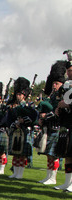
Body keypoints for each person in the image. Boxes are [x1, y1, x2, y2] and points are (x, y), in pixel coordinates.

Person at [34, 60, 66, 185]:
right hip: (49, 127)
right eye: (53, 83)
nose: (54, 85)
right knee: (48, 154)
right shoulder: (52, 96)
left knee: (54, 154)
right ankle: (48, 176)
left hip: (57, 127)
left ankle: (53, 178)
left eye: (56, 83)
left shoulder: (62, 96)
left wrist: (47, 115)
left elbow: (57, 111)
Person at [5, 77, 37, 180]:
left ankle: (20, 174)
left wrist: (24, 121)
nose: (18, 96)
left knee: (22, 154)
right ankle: (15, 172)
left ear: (24, 95)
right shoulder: (13, 106)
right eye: (17, 94)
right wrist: (15, 123)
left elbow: (34, 119)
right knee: (15, 153)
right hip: (15, 131)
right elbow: (9, 119)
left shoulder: (29, 105)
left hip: (24, 132)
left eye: (20, 94)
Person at [54, 50, 72, 192]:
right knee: (67, 155)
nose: (70, 72)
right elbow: (61, 100)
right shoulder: (66, 85)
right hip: (66, 123)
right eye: (68, 70)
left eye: (71, 70)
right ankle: (67, 183)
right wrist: (58, 108)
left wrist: (68, 105)